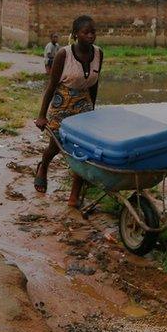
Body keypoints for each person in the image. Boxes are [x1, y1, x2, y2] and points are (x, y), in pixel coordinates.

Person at [34, 15, 102, 207]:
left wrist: (93, 110)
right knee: (55, 146)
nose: (91, 36)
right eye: (86, 32)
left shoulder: (99, 53)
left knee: (83, 150)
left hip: (84, 103)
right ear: (75, 35)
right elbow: (51, 86)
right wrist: (42, 115)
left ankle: (74, 196)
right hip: (62, 101)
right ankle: (43, 167)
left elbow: (95, 84)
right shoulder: (64, 54)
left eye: (93, 32)